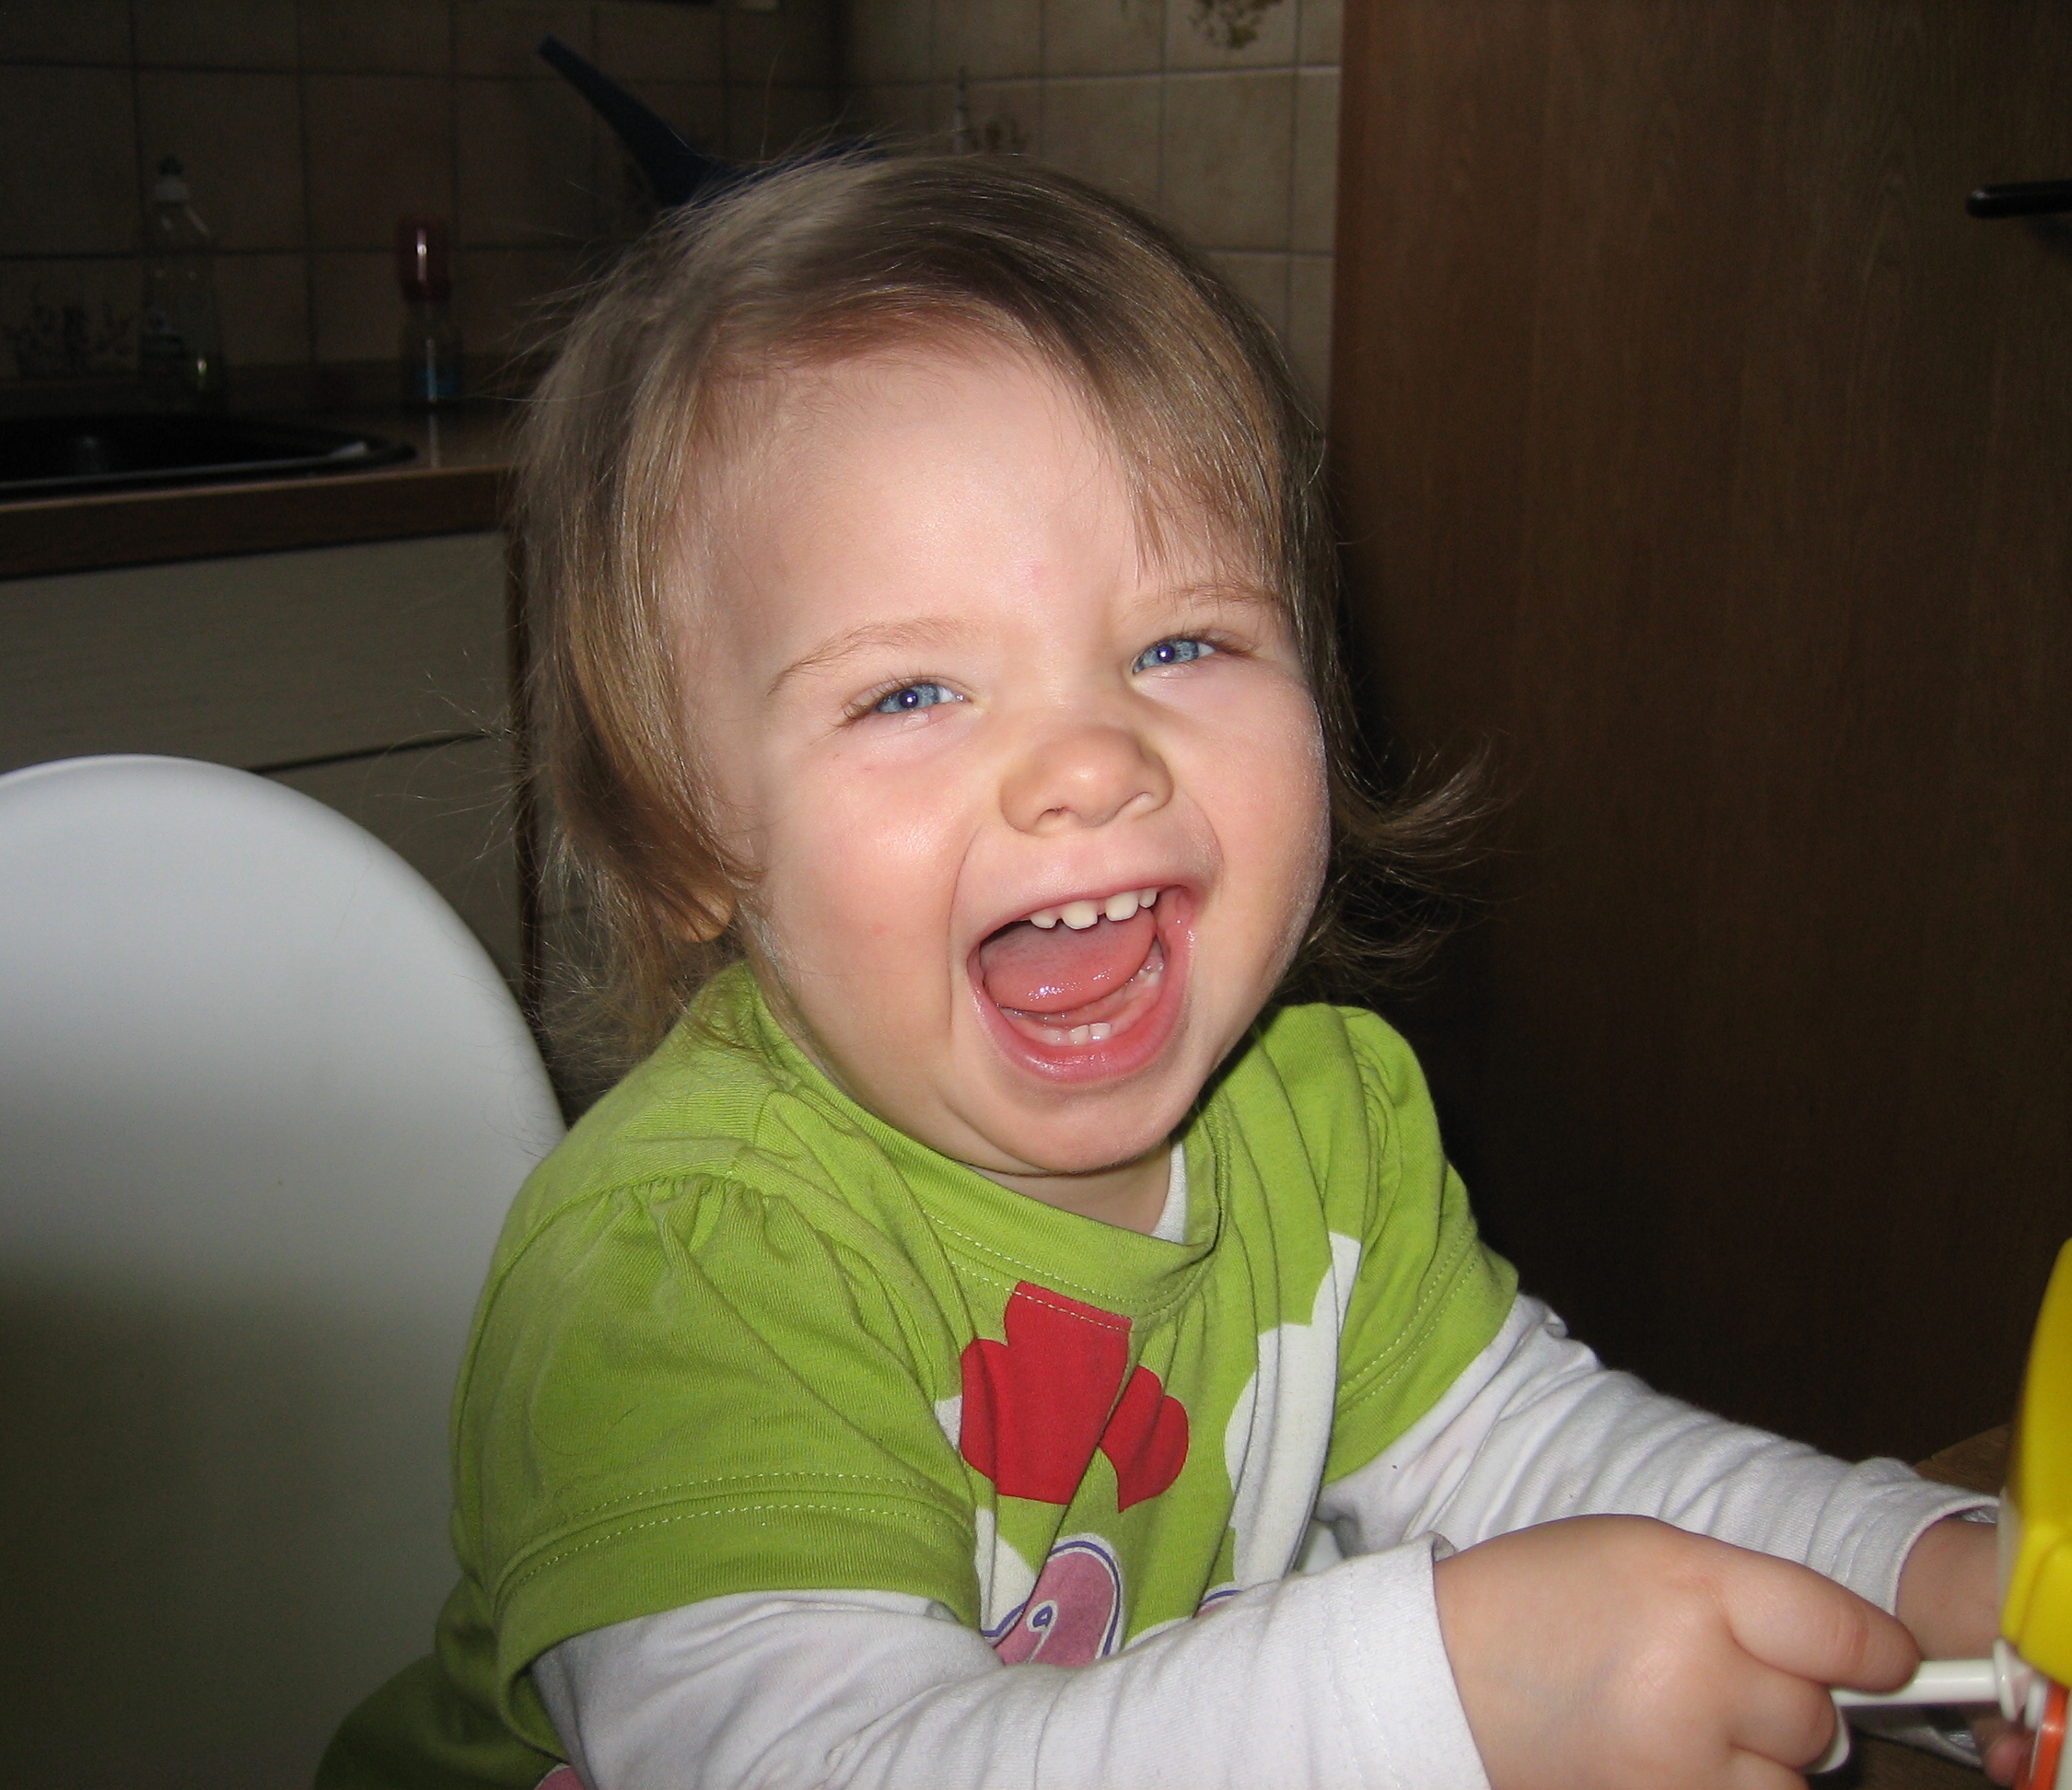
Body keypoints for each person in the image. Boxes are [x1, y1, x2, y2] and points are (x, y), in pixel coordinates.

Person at [319, 153, 2015, 1790]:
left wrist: (1936, 1583)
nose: (1090, 760)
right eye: (911, 691)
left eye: (1182, 643)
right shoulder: (685, 1268)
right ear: (687, 838)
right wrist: (1448, 1695)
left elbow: (1533, 1458)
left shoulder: (1321, 1126)